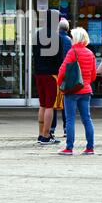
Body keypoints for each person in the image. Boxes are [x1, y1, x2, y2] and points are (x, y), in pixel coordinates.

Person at [57, 27, 96, 155]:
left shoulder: (72, 52)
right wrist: (86, 83)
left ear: (76, 38)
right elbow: (93, 75)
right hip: (86, 91)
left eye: (72, 37)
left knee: (70, 119)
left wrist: (60, 84)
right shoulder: (90, 53)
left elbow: (62, 70)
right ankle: (90, 147)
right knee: (87, 119)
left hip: (72, 91)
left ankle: (69, 148)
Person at [33, 9, 64, 145]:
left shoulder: (37, 35)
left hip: (39, 73)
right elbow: (60, 59)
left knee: (42, 105)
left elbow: (34, 54)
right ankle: (46, 135)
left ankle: (41, 134)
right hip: (52, 74)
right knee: (50, 105)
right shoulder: (57, 37)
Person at [50, 18, 72, 138]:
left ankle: (52, 128)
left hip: (54, 72)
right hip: (66, 73)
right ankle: (66, 129)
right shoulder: (69, 40)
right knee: (66, 101)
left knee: (53, 100)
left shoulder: (54, 39)